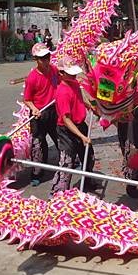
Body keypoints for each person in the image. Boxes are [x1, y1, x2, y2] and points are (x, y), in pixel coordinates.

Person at [51, 57, 100, 195]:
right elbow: (66, 120)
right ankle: (58, 192)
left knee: (88, 157)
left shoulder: (73, 84)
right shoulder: (62, 92)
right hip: (67, 130)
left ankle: (88, 181)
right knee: (67, 162)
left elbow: (80, 98)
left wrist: (90, 106)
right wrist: (82, 137)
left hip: (80, 125)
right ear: (61, 73)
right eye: (70, 73)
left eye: (74, 73)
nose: (74, 76)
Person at [23, 43, 60, 186]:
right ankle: (37, 174)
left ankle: (68, 166)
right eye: (42, 58)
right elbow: (27, 100)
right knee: (38, 145)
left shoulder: (54, 70)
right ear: (36, 59)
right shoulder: (32, 77)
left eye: (47, 57)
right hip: (39, 114)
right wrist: (34, 109)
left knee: (60, 140)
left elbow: (61, 85)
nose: (45, 60)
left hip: (54, 111)